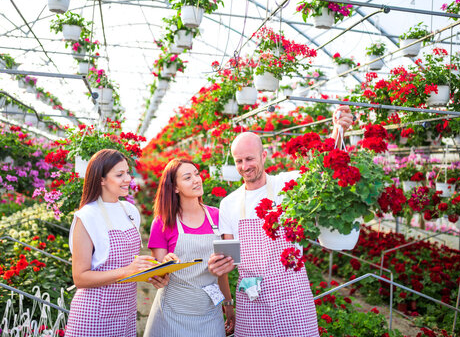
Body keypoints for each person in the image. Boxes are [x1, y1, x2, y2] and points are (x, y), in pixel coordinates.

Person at [207, 106, 353, 337]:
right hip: (251, 298)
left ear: (264, 156)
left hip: (292, 295)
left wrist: (337, 129)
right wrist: (222, 282)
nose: (245, 167)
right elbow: (229, 259)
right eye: (238, 161)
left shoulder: (289, 183)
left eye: (250, 159)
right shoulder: (229, 203)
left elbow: (323, 167)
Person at [65, 149, 168, 337]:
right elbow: (80, 278)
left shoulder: (129, 211)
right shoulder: (87, 216)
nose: (128, 178)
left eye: (128, 172)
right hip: (94, 314)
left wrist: (151, 273)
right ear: (101, 179)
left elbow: (129, 266)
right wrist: (127, 271)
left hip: (125, 312)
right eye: (120, 174)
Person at [144, 159, 235, 337]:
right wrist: (164, 264)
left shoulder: (217, 216)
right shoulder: (163, 222)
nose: (196, 180)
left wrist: (229, 305)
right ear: (175, 187)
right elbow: (157, 276)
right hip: (170, 315)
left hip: (210, 313)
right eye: (187, 177)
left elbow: (222, 271)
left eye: (196, 174)